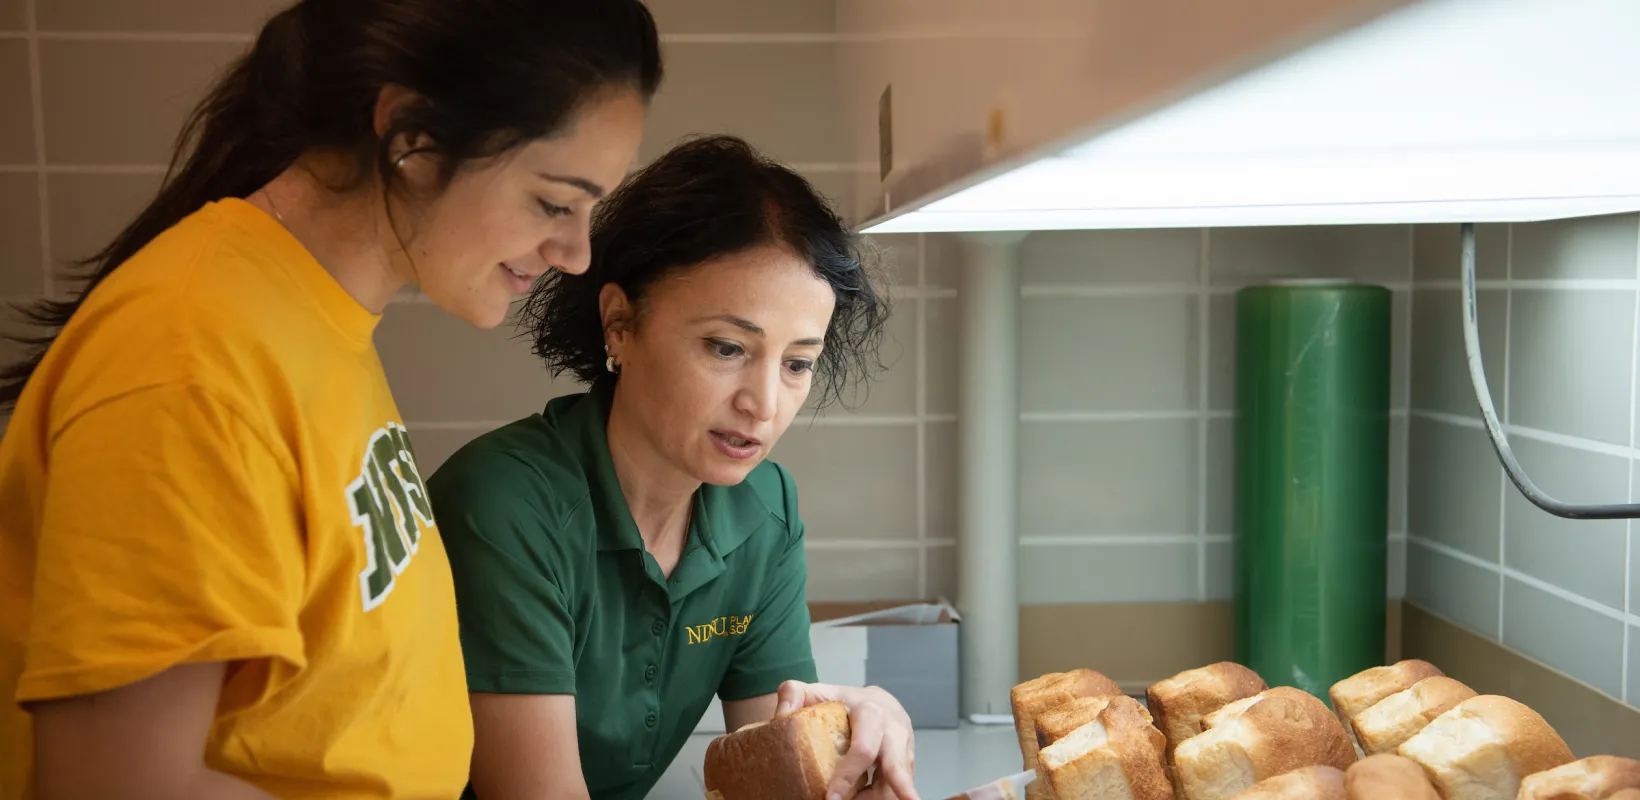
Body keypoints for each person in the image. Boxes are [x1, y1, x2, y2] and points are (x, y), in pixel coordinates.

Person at [0, 1, 661, 797]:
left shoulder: (309, 318)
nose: (577, 253)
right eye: (555, 201)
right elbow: (117, 785)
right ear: (414, 140)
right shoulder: (190, 363)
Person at [426, 134, 920, 800]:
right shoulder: (505, 503)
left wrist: (858, 754)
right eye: (726, 347)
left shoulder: (764, 510)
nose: (764, 403)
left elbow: (777, 775)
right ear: (619, 324)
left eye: (798, 363)